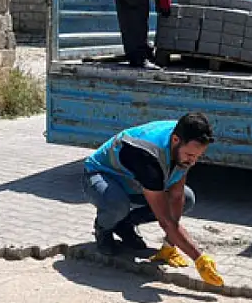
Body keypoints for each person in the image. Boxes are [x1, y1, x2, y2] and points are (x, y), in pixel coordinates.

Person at [82, 112, 224, 287]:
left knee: (187, 198)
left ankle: (123, 224)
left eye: (197, 156)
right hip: (101, 176)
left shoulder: (185, 138)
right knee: (118, 206)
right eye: (190, 155)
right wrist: (199, 258)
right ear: (175, 141)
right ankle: (103, 229)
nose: (193, 161)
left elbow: (177, 196)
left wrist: (169, 244)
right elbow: (166, 220)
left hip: (133, 181)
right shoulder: (148, 155)